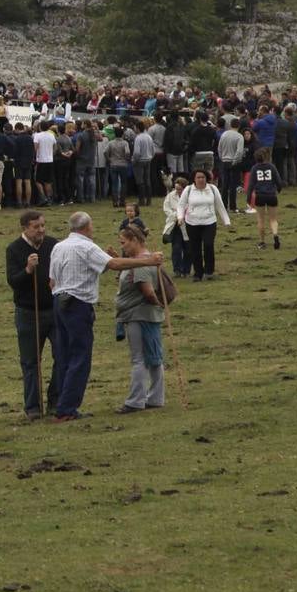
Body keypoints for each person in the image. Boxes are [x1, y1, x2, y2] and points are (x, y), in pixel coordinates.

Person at [48, 212, 164, 422]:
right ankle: (67, 408)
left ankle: (61, 403)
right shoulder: (86, 246)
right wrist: (148, 260)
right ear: (86, 227)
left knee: (64, 354)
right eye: (92, 225)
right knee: (80, 356)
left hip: (59, 302)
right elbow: (114, 265)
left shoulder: (58, 247)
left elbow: (52, 281)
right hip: (78, 304)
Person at [5, 210, 59, 420]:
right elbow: (13, 281)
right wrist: (27, 269)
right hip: (28, 313)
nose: (41, 230)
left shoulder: (53, 245)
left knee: (62, 355)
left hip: (53, 310)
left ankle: (56, 401)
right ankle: (33, 407)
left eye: (43, 226)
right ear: (25, 228)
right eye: (36, 227)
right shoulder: (14, 249)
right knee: (31, 361)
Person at [114, 225, 167, 414]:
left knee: (140, 359)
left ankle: (136, 400)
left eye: (124, 243)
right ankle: (155, 397)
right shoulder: (144, 260)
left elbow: (148, 291)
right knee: (152, 357)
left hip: (139, 316)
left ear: (135, 240)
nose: (123, 247)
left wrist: (158, 304)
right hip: (145, 315)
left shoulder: (142, 264)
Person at [175, 169, 232, 281]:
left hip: (209, 222)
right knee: (195, 248)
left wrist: (226, 221)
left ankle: (209, 271)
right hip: (192, 223)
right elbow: (181, 205)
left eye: (203, 177)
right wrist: (180, 217)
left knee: (208, 245)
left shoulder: (212, 189)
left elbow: (220, 205)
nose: (201, 179)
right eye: (198, 177)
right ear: (194, 179)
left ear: (206, 178)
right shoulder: (188, 189)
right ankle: (198, 273)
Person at [248, 147, 283, 250]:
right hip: (272, 195)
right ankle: (275, 235)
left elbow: (250, 185)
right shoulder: (271, 167)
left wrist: (248, 198)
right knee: (273, 219)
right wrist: (279, 189)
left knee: (260, 219)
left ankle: (262, 242)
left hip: (260, 196)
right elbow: (278, 181)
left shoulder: (254, 168)